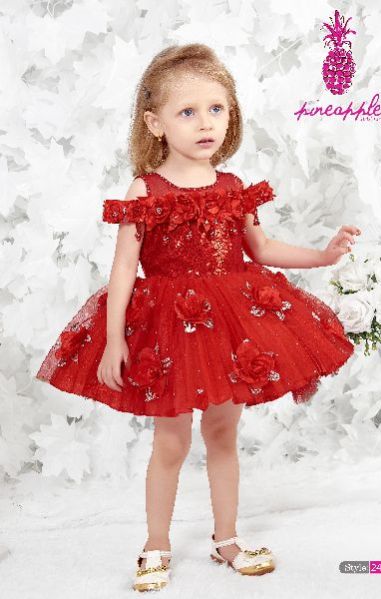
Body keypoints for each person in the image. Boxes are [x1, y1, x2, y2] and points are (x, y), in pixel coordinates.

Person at [35, 43, 360, 592]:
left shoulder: (233, 188)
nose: (206, 123)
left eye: (216, 109)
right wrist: (114, 338)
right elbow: (124, 269)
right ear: (155, 123)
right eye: (188, 112)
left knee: (223, 432)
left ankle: (226, 538)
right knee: (171, 440)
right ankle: (155, 543)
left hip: (231, 327)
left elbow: (262, 248)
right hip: (171, 328)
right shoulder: (146, 189)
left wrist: (323, 256)